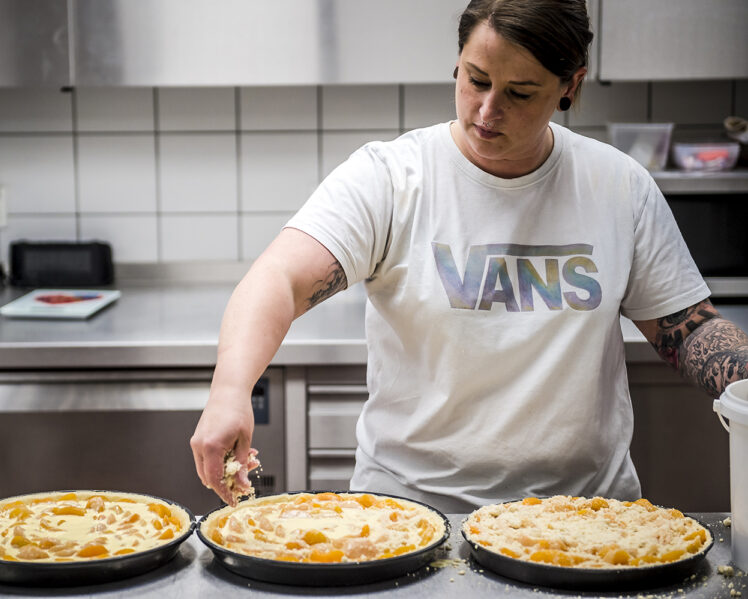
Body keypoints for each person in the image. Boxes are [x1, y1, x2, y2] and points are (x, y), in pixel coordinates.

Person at [191, 0, 748, 512]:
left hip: (584, 518)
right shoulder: (392, 178)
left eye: (520, 92)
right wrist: (229, 391)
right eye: (475, 79)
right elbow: (280, 279)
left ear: (570, 86)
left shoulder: (618, 186)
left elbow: (689, 329)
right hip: (413, 515)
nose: (487, 110)